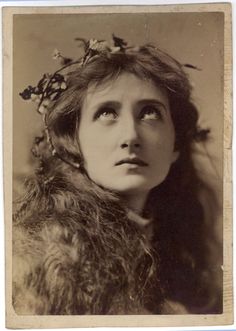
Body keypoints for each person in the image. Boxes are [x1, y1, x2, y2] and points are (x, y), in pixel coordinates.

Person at [12, 35, 222, 315]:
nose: (131, 136)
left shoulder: (183, 258)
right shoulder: (41, 258)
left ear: (175, 145)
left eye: (149, 113)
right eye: (107, 113)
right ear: (73, 144)